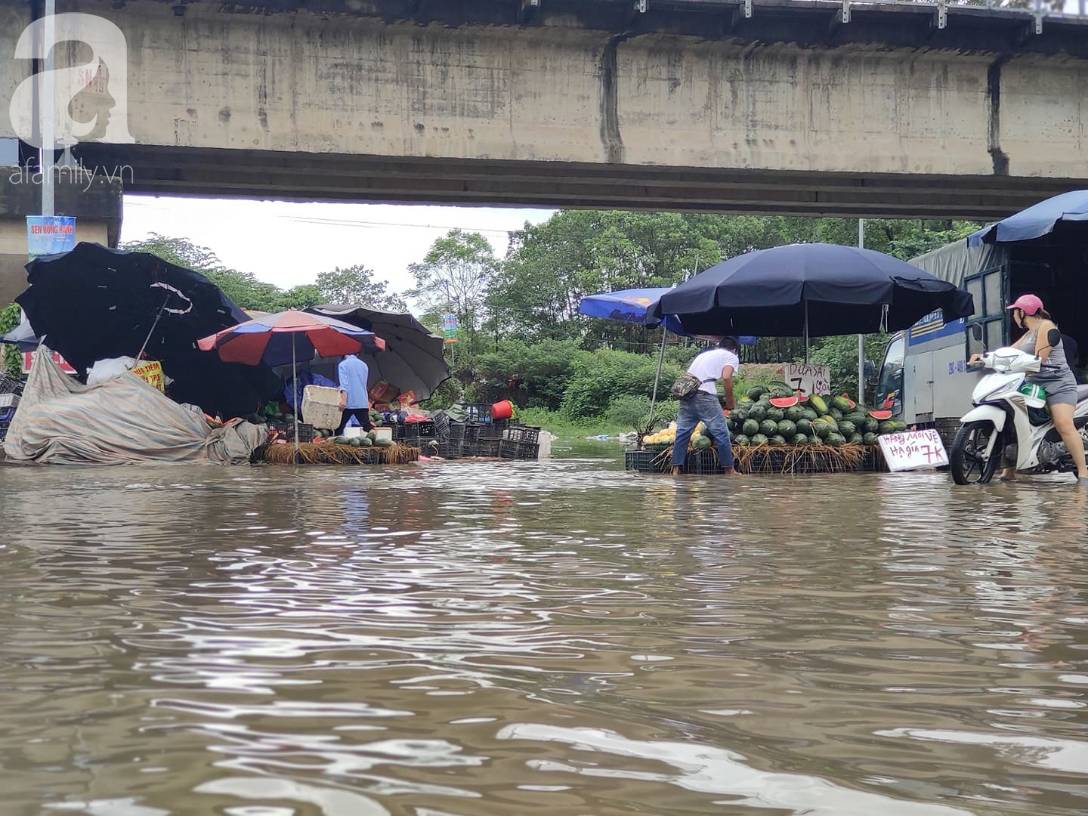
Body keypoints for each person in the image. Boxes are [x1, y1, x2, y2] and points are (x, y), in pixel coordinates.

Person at [973, 294, 1087, 483]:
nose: (1014, 316)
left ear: (1022, 312)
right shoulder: (1029, 333)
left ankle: (1083, 471)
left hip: (1058, 385)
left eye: (1015, 312)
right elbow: (1010, 352)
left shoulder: (1046, 327)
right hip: (1034, 384)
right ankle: (1009, 469)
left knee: (1063, 424)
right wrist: (985, 357)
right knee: (1012, 418)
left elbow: (1039, 359)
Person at [671, 337, 740, 476]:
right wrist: (730, 402)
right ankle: (729, 470)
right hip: (705, 395)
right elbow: (726, 377)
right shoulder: (731, 356)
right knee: (721, 432)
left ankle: (676, 469)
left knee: (683, 432)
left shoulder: (704, 355)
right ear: (734, 349)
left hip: (687, 394)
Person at [336, 352, 373, 434]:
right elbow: (363, 383)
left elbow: (344, 384)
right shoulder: (364, 365)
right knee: (367, 427)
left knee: (338, 428)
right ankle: (378, 440)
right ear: (357, 354)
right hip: (362, 401)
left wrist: (343, 400)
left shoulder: (343, 365)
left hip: (349, 403)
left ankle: (332, 445)